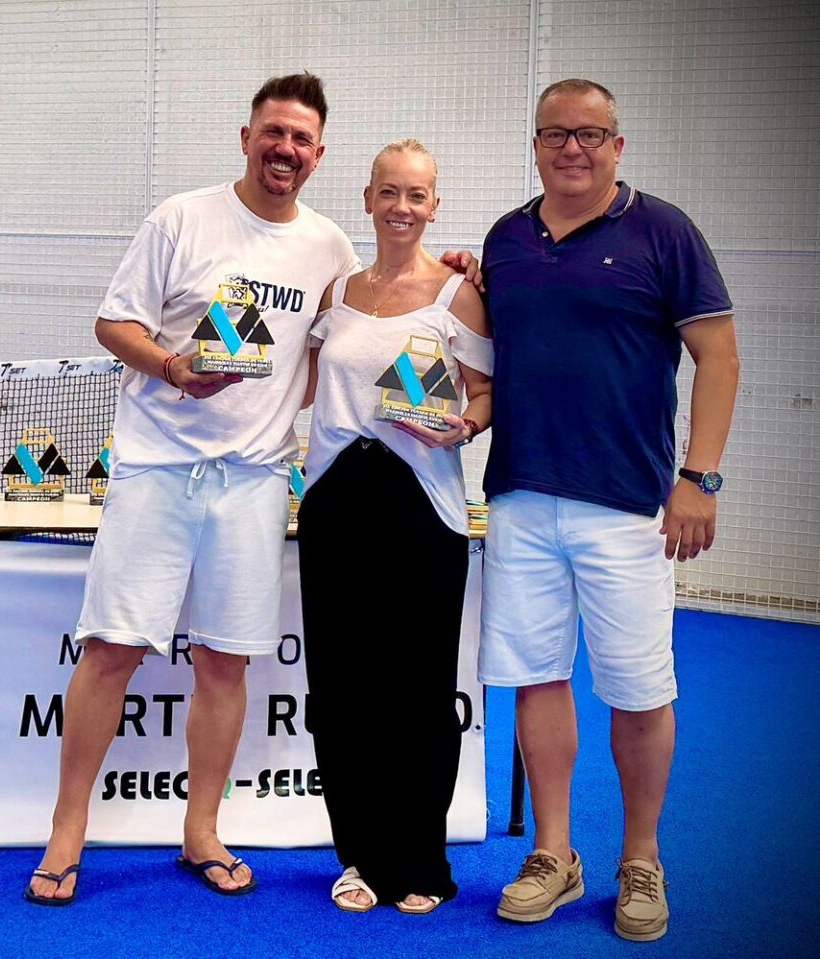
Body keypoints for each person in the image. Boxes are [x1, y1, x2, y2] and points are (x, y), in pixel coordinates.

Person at [23, 72, 361, 905]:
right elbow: (114, 323)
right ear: (246, 136)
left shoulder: (330, 249)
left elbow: (368, 324)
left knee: (223, 663)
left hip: (252, 482)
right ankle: (68, 832)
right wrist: (174, 367)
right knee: (111, 652)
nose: (286, 149)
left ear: (318, 154)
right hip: (155, 469)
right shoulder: (181, 218)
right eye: (273, 132)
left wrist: (453, 269)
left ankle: (201, 830)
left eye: (302, 139)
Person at [478, 79, 739, 942]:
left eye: (592, 134)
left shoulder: (665, 232)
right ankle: (555, 854)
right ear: (537, 144)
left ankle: (641, 857)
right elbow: (480, 350)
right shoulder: (506, 241)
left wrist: (699, 477)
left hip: (628, 509)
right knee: (541, 676)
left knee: (637, 686)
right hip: (519, 497)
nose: (573, 149)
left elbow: (719, 354)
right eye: (556, 134)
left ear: (617, 146)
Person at [297, 139, 492, 915]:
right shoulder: (338, 292)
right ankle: (359, 858)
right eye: (390, 192)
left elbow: (485, 392)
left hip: (425, 508)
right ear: (369, 198)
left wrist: (465, 425)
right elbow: (301, 383)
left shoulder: (458, 294)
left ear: (433, 205)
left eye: (418, 194)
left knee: (418, 689)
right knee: (343, 690)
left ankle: (421, 860)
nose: (402, 207)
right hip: (336, 503)